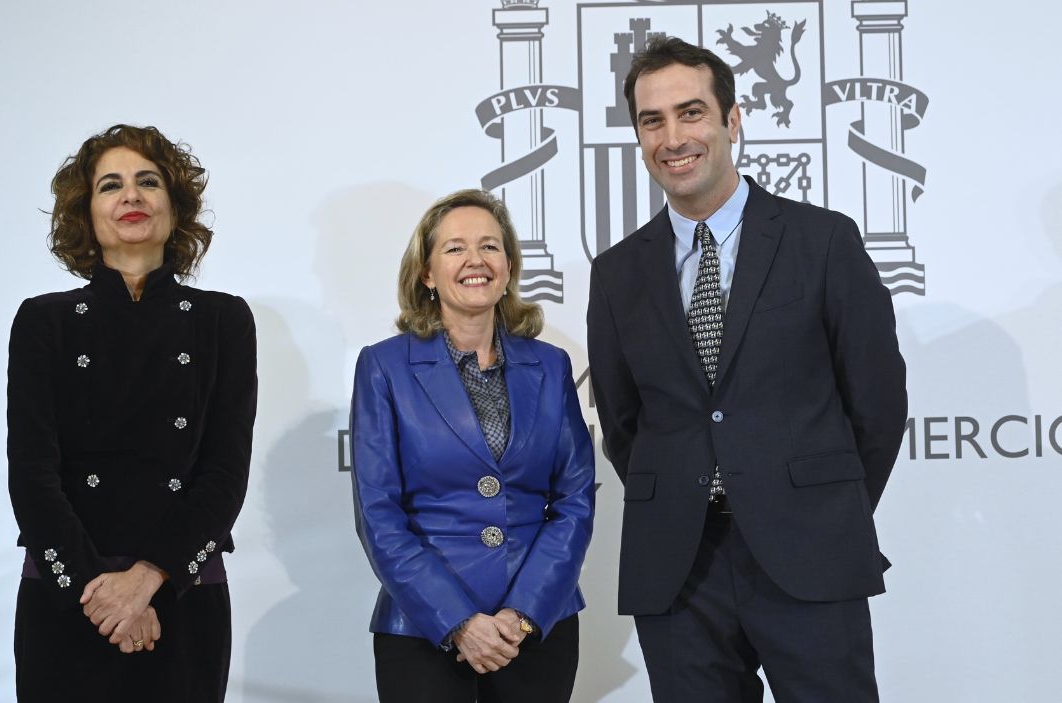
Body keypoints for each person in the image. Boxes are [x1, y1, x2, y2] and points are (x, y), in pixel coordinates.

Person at [586, 37, 907, 702]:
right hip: (679, 570)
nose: (673, 137)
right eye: (652, 121)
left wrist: (812, 504)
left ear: (732, 121)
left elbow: (876, 405)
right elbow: (623, 424)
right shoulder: (616, 273)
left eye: (691, 112)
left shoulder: (823, 241)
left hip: (810, 554)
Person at [7, 124, 256, 702]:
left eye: (149, 182)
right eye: (111, 185)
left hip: (181, 591)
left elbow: (224, 474)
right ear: (86, 214)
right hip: (68, 591)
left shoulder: (224, 320)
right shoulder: (45, 321)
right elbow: (32, 473)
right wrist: (105, 597)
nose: (132, 196)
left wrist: (147, 583)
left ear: (175, 206)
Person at [351, 189, 596, 702]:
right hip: (422, 627)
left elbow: (574, 499)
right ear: (426, 272)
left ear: (508, 266)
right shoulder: (384, 367)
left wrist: (522, 613)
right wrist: (459, 620)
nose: (475, 261)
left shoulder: (550, 366)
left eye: (490, 246)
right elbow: (378, 512)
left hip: (534, 628)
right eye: (455, 248)